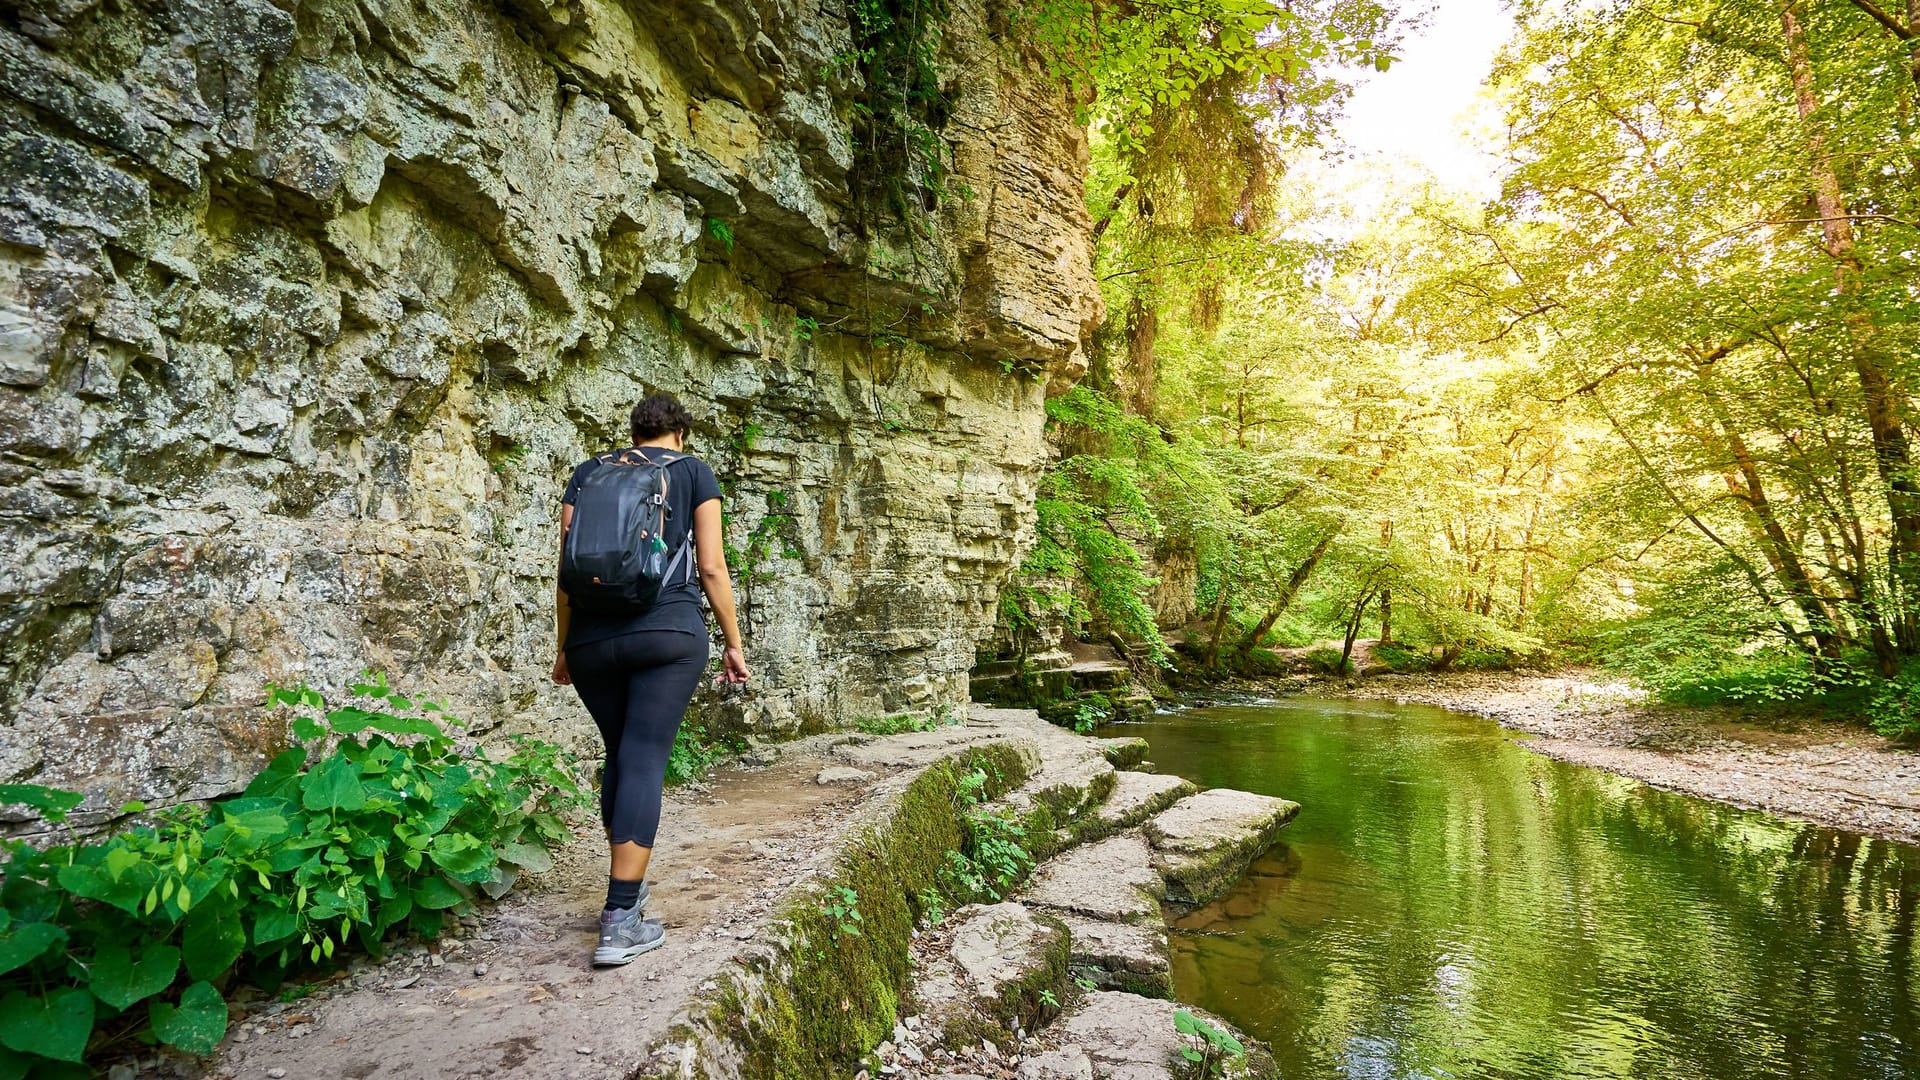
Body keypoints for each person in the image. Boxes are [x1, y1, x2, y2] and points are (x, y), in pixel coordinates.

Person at [551, 392, 750, 967]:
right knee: (642, 758)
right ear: (680, 434)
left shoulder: (589, 473)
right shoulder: (692, 471)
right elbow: (710, 565)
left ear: (634, 431)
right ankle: (618, 920)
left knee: (621, 754)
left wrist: (565, 645)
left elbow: (567, 573)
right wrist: (733, 644)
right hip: (667, 636)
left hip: (591, 641)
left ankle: (627, 895)